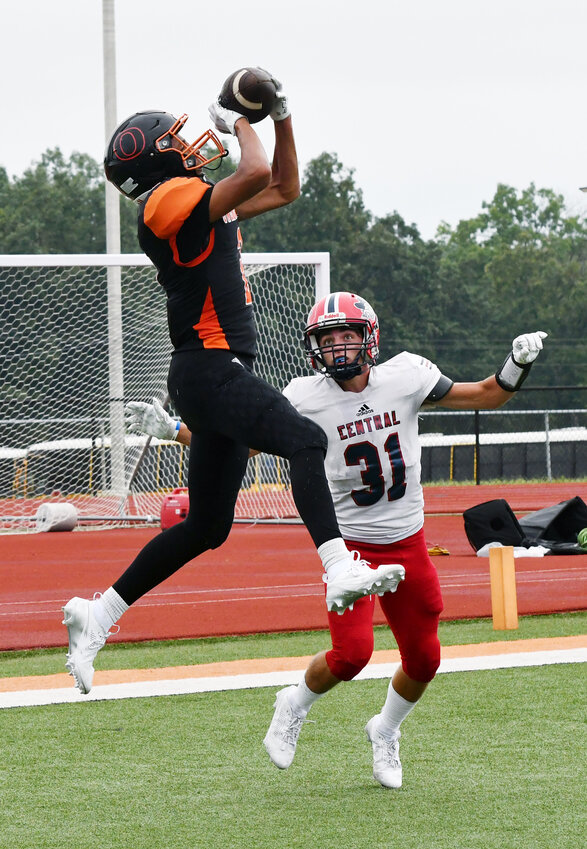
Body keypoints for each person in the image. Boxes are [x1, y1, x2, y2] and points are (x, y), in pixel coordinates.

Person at [62, 81, 404, 696]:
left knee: (207, 527)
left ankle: (100, 613)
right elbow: (255, 169)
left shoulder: (195, 201)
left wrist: (282, 115)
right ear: (155, 162)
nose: (190, 145)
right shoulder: (163, 205)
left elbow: (284, 185)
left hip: (215, 371)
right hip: (208, 367)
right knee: (305, 440)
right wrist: (238, 119)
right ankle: (336, 569)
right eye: (175, 142)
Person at [126, 291, 548, 788]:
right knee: (352, 655)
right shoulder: (305, 397)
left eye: (347, 335)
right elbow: (244, 442)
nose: (339, 347)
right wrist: (177, 429)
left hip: (408, 541)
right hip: (349, 547)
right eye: (328, 339)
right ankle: (293, 703)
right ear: (314, 348)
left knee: (426, 658)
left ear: (368, 337)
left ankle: (385, 730)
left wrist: (515, 364)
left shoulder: (406, 375)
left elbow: (487, 395)